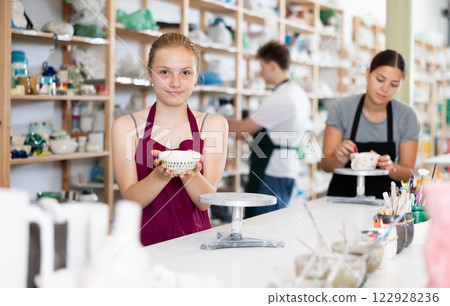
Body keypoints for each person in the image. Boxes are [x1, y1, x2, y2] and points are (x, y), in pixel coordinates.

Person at [112, 33, 228, 246]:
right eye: (164, 72)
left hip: (196, 245)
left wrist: (189, 173)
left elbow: (205, 203)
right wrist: (161, 174)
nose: (175, 83)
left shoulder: (213, 124)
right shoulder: (126, 126)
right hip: (143, 247)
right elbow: (131, 200)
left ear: (195, 76)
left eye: (185, 73)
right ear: (149, 75)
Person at [228, 41, 311, 217]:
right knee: (275, 221)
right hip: (288, 167)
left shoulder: (279, 97)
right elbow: (251, 124)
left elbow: (239, 132)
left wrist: (211, 122)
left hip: (271, 171)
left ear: (272, 65)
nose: (260, 72)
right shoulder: (299, 94)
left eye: (262, 66)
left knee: (260, 223)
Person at [322, 49, 420, 198]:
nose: (385, 89)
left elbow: (408, 174)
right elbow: (326, 166)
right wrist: (339, 159)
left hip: (386, 207)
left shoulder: (407, 116)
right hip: (341, 201)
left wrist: (391, 167)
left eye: (394, 84)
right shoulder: (342, 108)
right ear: (368, 73)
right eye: (380, 80)